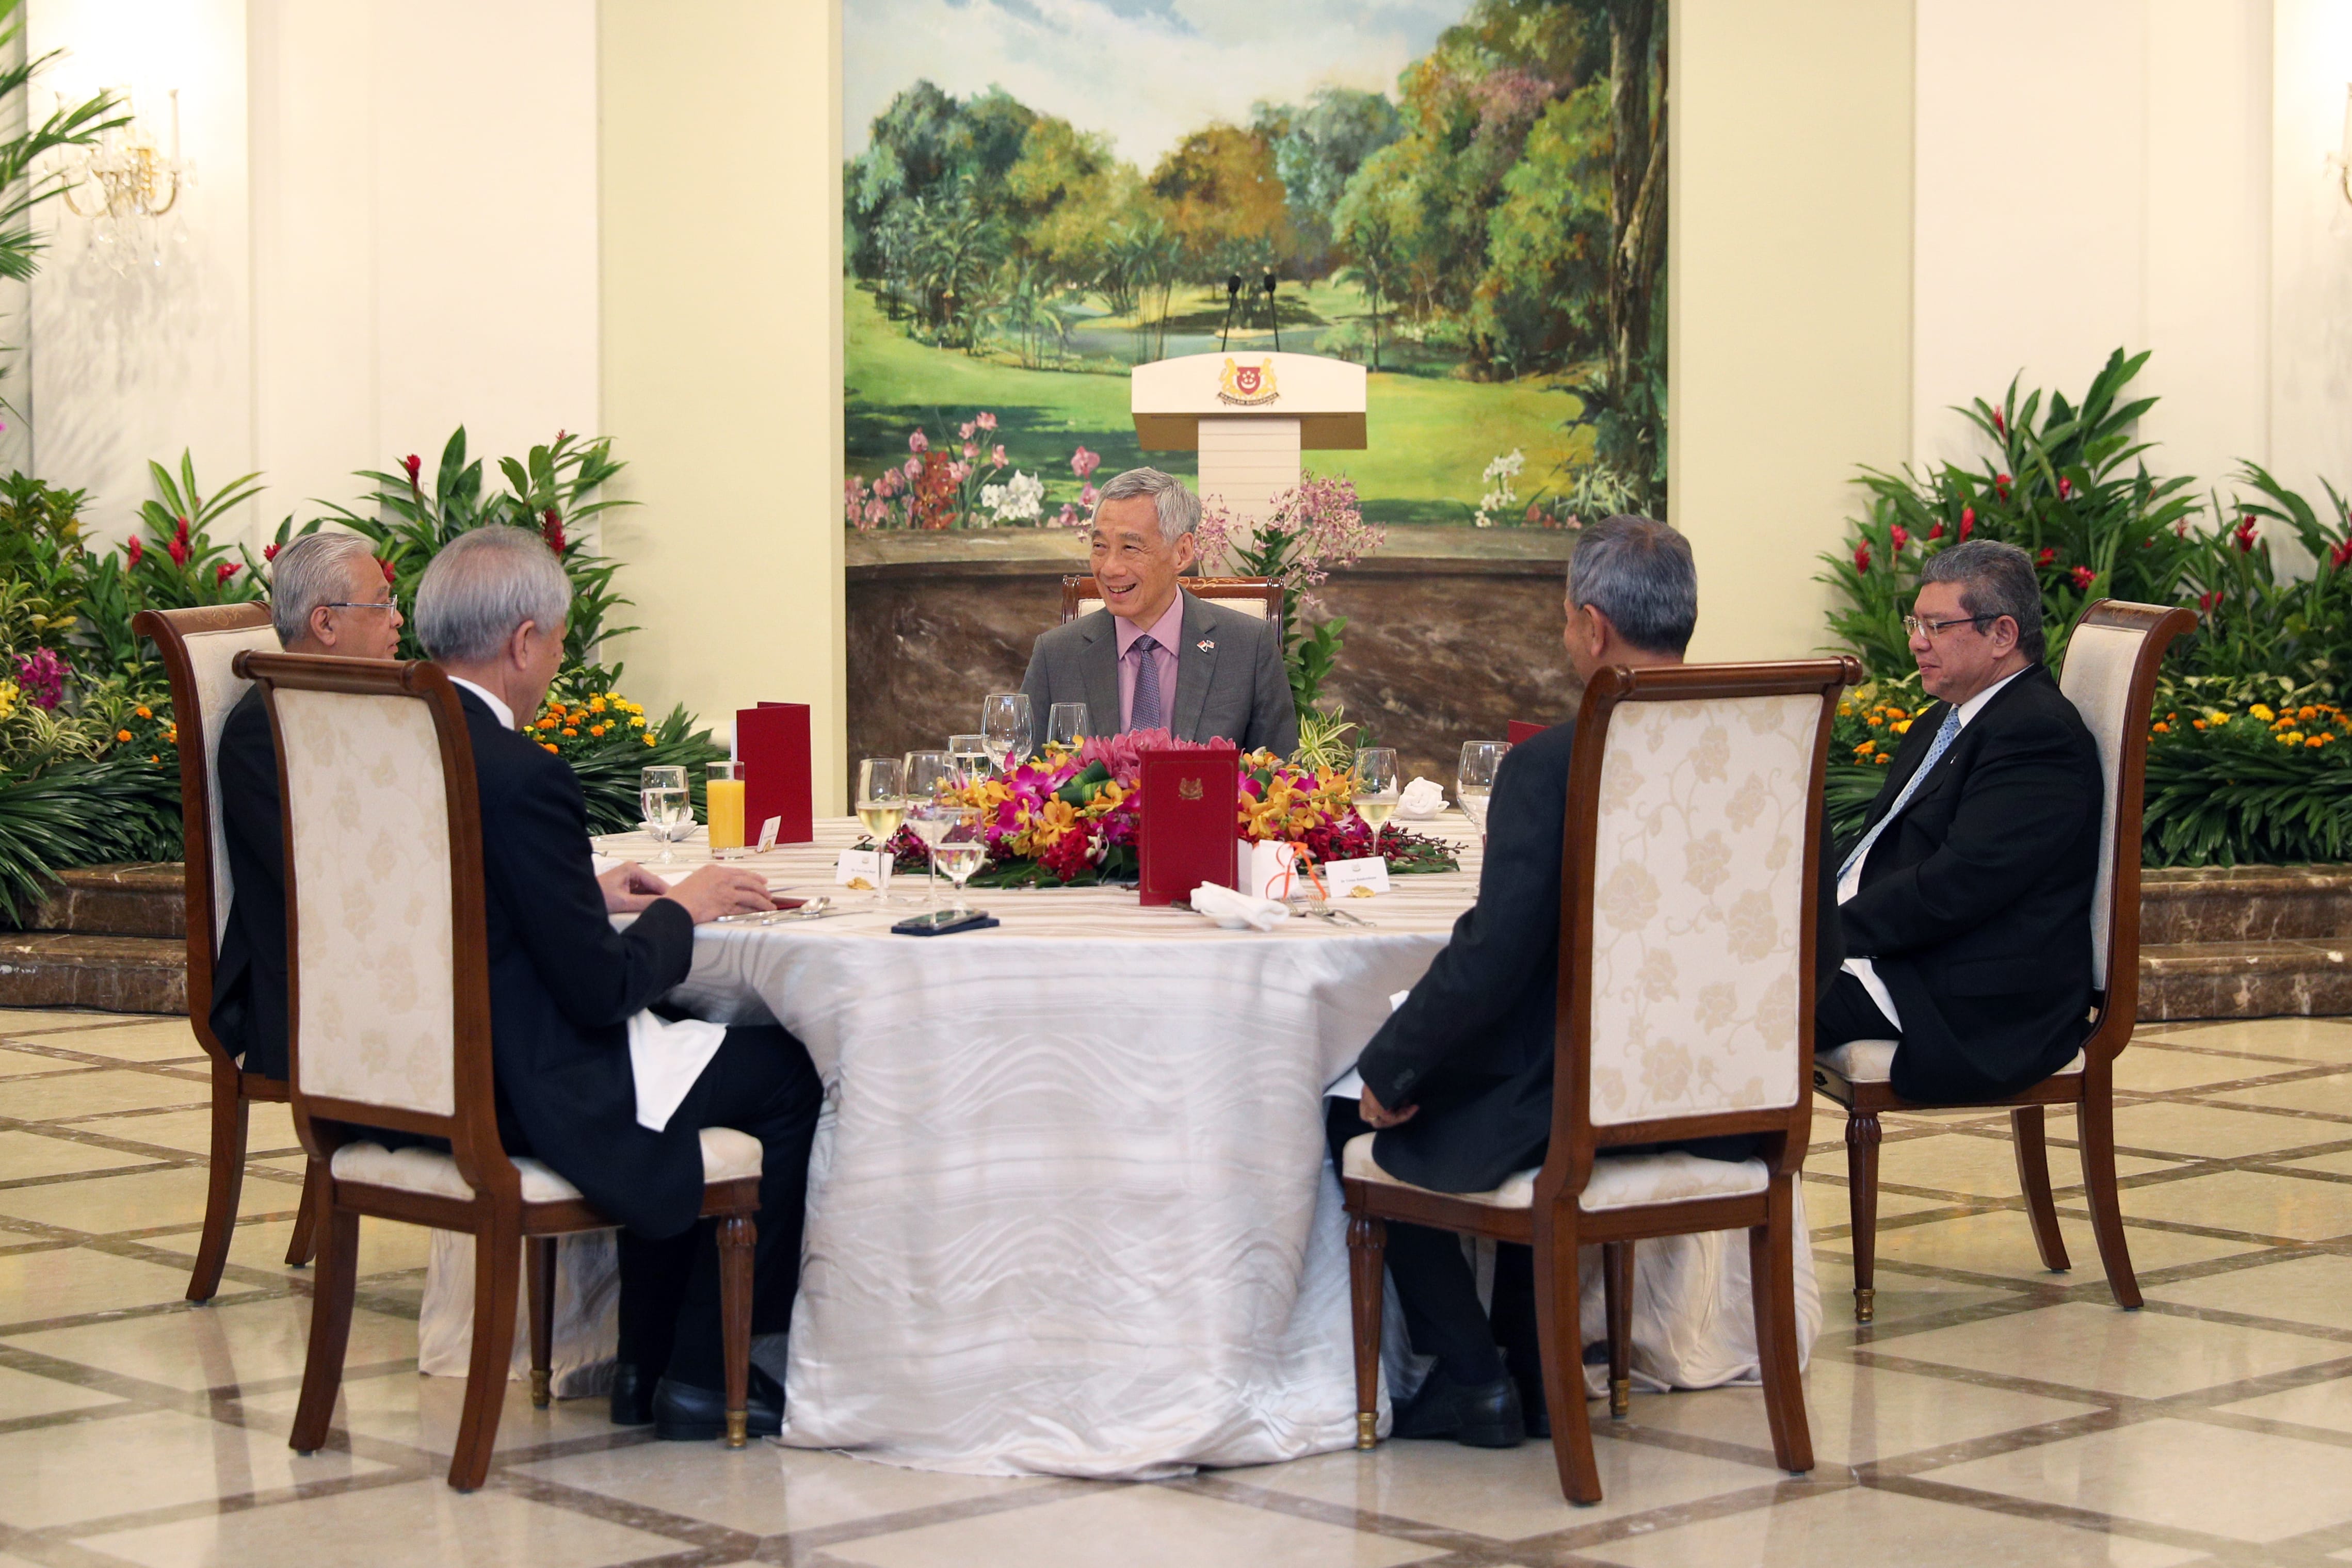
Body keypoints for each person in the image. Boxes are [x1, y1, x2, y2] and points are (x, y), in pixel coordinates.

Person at [1329, 515, 1842, 1448]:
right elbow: (1818, 946)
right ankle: (1533, 1371)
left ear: (1592, 626)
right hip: (1735, 1105)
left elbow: (1494, 954)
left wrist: (1387, 1066)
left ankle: (1474, 1378)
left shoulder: (1555, 763)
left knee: (1353, 1104)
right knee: (1514, 1076)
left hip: (1582, 1107)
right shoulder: (1777, 751)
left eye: (1565, 618)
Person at [410, 526, 823, 1441]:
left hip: (424, 1075)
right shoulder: (521, 774)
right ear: (522, 641)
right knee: (786, 1073)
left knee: (685, 1045)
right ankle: (705, 1369)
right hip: (525, 1084)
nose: (559, 659)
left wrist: (580, 895)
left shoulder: (393, 745)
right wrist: (689, 904)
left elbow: (452, 899)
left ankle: (641, 1366)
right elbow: (603, 992)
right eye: (558, 639)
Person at [1823, 538, 2102, 1103]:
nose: (1915, 642)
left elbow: (1959, 885)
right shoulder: (1944, 719)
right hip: (1885, 949)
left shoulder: (2037, 735)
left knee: (1739, 1007)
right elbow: (1888, 845)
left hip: (1958, 991)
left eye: (1936, 626)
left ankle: (1734, 1171)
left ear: (2002, 634)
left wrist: (1824, 931)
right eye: (1915, 623)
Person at [214, 532, 406, 1081]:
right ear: (325, 624)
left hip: (379, 954)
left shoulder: (358, 700)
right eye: (383, 603)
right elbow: (327, 880)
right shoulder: (262, 731)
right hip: (311, 990)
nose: (397, 620)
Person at [1018, 466, 1297, 755]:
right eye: (1100, 546)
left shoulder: (1247, 648)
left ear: (1182, 553)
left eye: (1131, 547)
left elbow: (1281, 778)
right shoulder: (1056, 655)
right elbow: (1020, 778)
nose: (1110, 568)